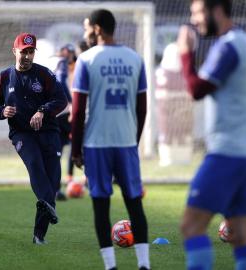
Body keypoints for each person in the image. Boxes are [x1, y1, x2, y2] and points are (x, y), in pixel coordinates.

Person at [177, 0, 246, 269]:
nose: (194, 20)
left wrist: (185, 53)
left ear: (216, 10)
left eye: (198, 13)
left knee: (191, 226)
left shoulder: (227, 46)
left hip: (228, 153)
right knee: (240, 234)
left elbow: (196, 89)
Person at [71, 9, 150, 270]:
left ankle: (110, 267)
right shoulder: (135, 59)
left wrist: (76, 149)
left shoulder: (86, 60)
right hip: (126, 143)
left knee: (101, 206)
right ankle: (144, 265)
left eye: (86, 28)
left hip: (96, 145)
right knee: (134, 204)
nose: (85, 33)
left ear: (97, 28)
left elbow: (78, 109)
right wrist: (133, 140)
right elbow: (142, 108)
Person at [0, 32, 68, 245]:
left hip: (49, 131)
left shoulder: (45, 75)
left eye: (31, 52)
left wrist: (42, 111)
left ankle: (38, 236)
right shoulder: (3, 78)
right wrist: (2, 111)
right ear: (15, 51)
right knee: (35, 165)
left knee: (52, 182)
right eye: (24, 52)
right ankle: (47, 210)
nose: (27, 56)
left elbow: (62, 101)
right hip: (22, 134)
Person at [55, 42, 89, 200]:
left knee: (62, 150)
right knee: (79, 146)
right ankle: (81, 180)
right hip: (66, 113)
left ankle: (60, 185)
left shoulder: (78, 65)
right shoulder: (62, 66)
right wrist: (73, 104)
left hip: (62, 113)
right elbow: (62, 84)